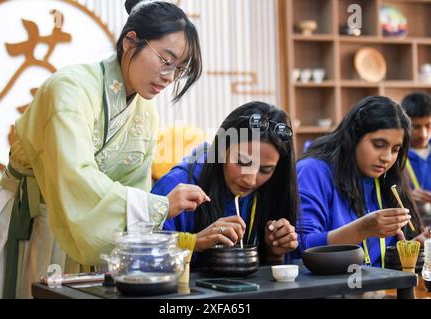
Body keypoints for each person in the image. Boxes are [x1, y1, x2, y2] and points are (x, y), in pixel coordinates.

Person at [0, 0, 208, 298]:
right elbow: (75, 178)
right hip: (29, 223)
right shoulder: (70, 89)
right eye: (166, 60)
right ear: (130, 41)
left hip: (85, 233)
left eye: (179, 69)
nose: (170, 77)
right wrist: (160, 206)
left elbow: (132, 188)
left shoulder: (145, 112)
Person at [151, 101, 299, 270]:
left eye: (266, 169)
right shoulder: (177, 185)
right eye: (242, 161)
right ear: (222, 149)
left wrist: (275, 254)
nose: (250, 180)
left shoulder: (271, 190)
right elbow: (142, 257)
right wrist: (194, 243)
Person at [296, 96, 430, 268]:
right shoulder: (313, 171)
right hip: (333, 291)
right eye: (379, 144)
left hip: (376, 290)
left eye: (395, 149)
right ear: (353, 136)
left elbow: (379, 260)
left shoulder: (388, 177)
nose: (387, 158)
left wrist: (410, 248)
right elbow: (300, 247)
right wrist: (362, 229)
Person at [401, 92, 431, 218]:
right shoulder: (396, 155)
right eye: (416, 127)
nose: (423, 134)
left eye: (428, 125)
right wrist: (407, 197)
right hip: (412, 225)